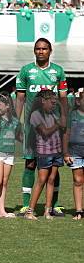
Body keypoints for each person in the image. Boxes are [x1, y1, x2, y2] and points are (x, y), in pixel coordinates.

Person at [15, 38, 68, 216]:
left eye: (44, 49)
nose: (41, 51)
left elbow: (62, 98)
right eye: (38, 48)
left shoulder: (58, 71)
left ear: (50, 50)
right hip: (33, 125)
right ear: (34, 51)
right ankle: (25, 204)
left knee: (54, 165)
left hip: (53, 126)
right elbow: (21, 98)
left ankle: (55, 204)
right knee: (30, 162)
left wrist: (64, 118)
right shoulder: (26, 71)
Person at [24, 90, 64, 220]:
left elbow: (64, 126)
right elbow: (45, 132)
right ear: (43, 101)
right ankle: (29, 211)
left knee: (51, 180)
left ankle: (47, 210)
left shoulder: (54, 113)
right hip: (44, 151)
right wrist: (58, 124)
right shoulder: (35, 114)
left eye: (55, 102)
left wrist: (62, 110)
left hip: (56, 150)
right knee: (41, 181)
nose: (54, 104)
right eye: (52, 102)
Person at [63, 88, 84, 220]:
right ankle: (79, 211)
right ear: (78, 101)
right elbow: (66, 134)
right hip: (75, 152)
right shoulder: (72, 115)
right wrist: (65, 153)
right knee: (78, 180)